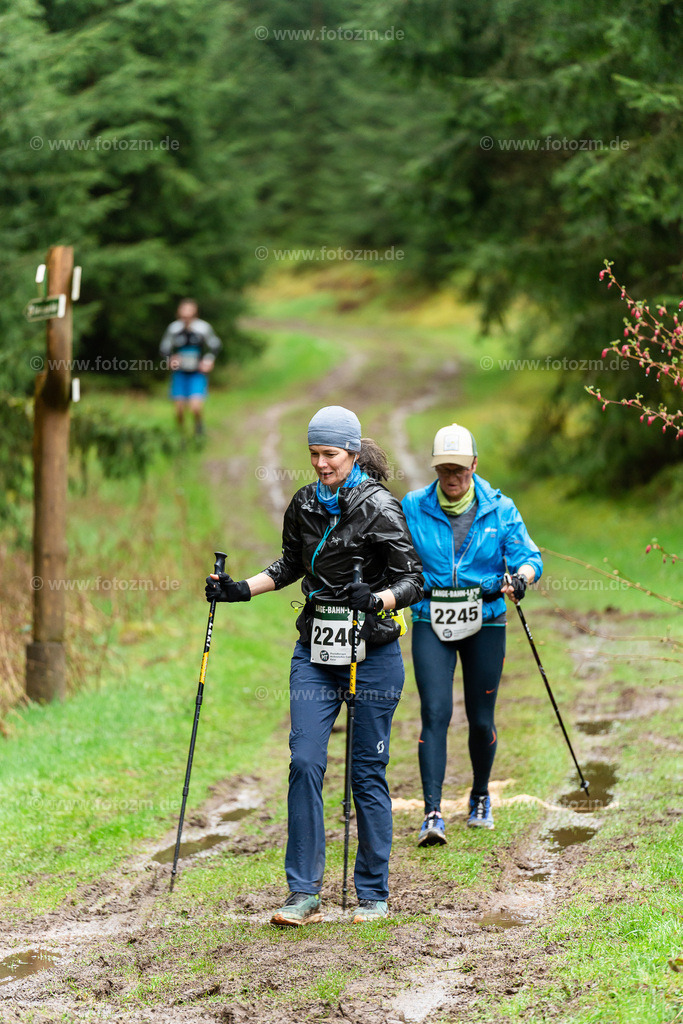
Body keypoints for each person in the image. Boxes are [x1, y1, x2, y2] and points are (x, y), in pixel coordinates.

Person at [205, 406, 423, 925]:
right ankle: (302, 893)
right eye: (314, 455)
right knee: (304, 761)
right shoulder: (303, 504)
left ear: (351, 454)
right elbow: (289, 564)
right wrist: (240, 590)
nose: (321, 464)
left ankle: (372, 891)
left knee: (366, 774)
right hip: (316, 653)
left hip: (371, 654)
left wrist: (378, 600)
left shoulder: (381, 509)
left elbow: (415, 579)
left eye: (330, 455)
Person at [401, 423, 543, 843]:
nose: (452, 477)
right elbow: (396, 554)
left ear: (475, 465)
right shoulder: (414, 506)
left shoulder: (500, 508)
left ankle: (480, 795)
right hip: (431, 616)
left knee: (481, 721)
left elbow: (528, 556)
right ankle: (432, 813)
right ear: (435, 468)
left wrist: (521, 577)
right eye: (444, 468)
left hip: (486, 619)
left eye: (460, 468)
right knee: (436, 713)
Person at [160, 299, 221, 436]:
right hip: (180, 372)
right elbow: (164, 348)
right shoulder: (174, 329)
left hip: (197, 372)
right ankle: (180, 435)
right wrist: (170, 359)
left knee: (195, 407)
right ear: (179, 313)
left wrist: (208, 361)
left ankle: (198, 429)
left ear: (195, 313)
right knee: (179, 410)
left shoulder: (203, 328)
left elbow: (215, 345)